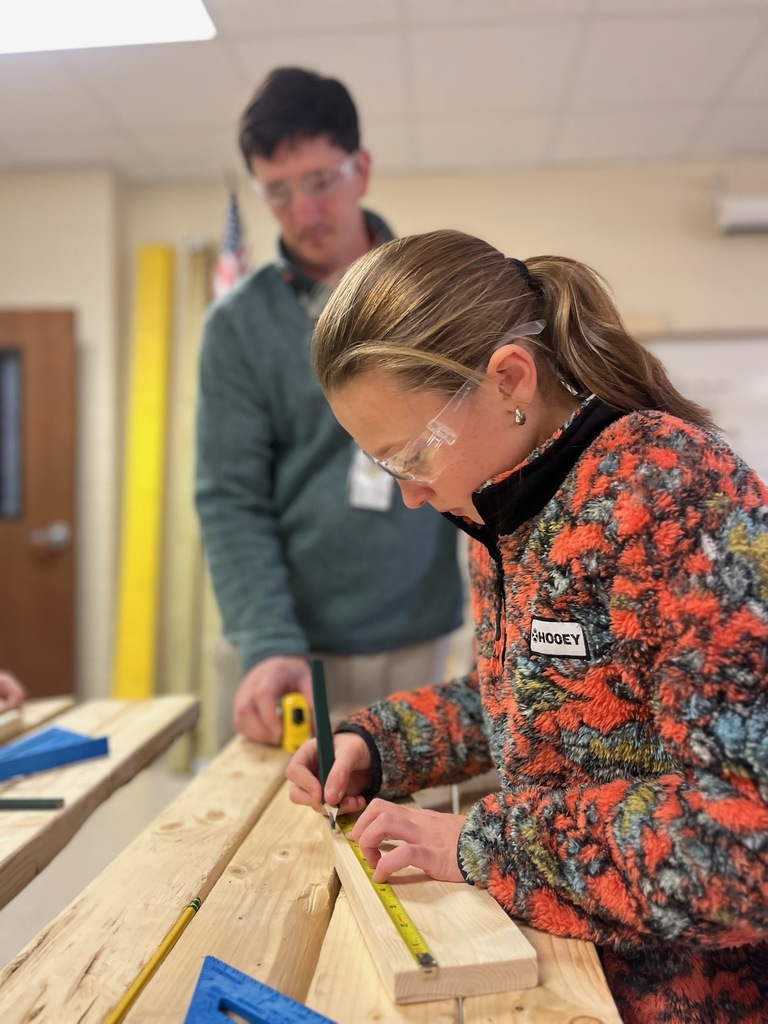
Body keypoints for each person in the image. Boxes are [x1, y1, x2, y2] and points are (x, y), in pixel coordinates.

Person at [286, 229, 768, 1024]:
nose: (409, 495)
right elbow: (526, 703)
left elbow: (742, 841)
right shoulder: (503, 513)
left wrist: (482, 845)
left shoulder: (674, 494)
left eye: (411, 456)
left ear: (509, 378)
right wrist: (378, 745)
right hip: (565, 968)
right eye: (387, 469)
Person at [195, 70, 464, 747]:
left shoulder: (437, 293)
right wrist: (266, 638)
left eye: (319, 182)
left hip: (414, 636)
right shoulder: (236, 326)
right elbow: (231, 499)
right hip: (286, 647)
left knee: (404, 837)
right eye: (277, 192)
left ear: (361, 169)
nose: (304, 212)